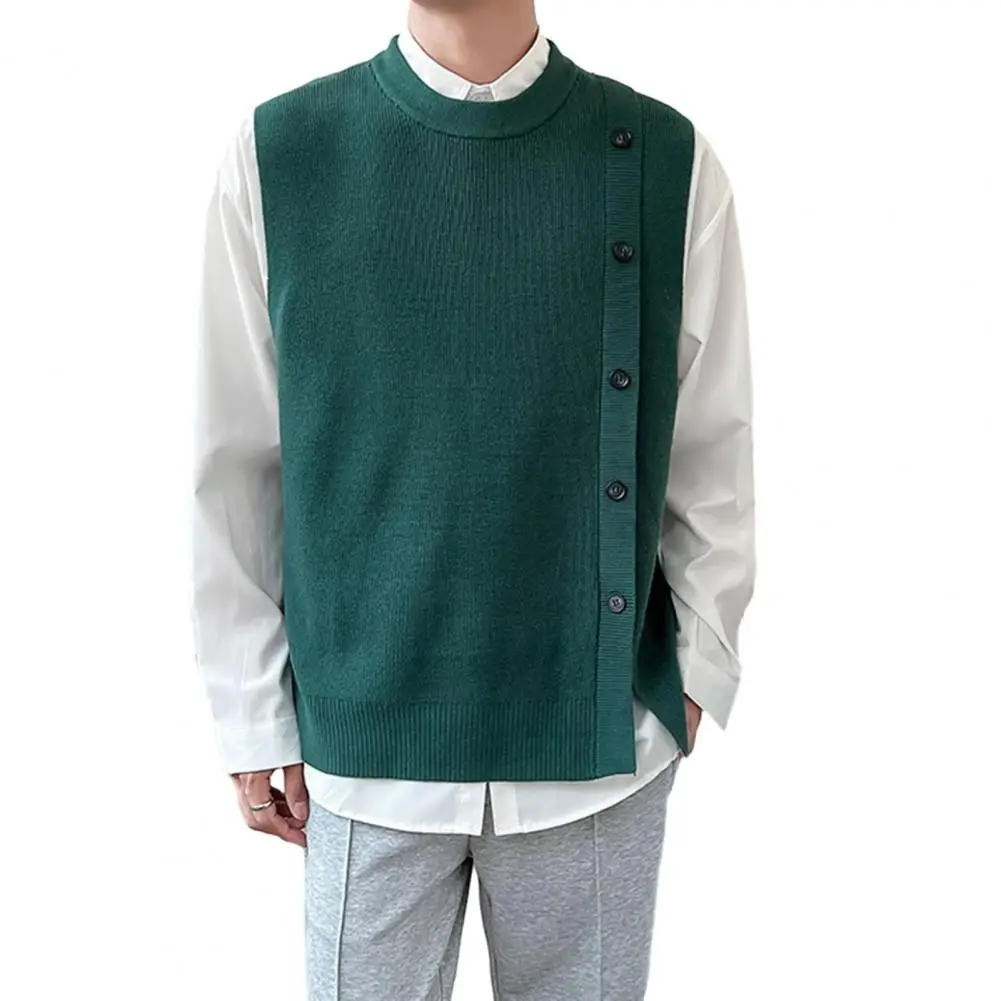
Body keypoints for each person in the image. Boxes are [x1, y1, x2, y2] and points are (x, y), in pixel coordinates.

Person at [190, 1, 755, 998]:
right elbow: (236, 455)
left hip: (596, 751)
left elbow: (711, 446)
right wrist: (250, 712)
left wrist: (697, 669)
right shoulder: (280, 153)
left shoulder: (666, 157)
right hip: (363, 746)